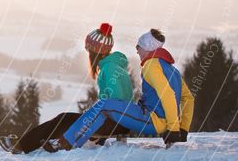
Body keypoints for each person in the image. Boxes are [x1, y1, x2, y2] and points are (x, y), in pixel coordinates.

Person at [7, 23, 133, 153]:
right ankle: (36, 142)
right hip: (116, 121)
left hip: (115, 123)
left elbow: (116, 101)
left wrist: (94, 116)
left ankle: (22, 145)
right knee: (67, 119)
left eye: (89, 49)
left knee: (64, 119)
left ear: (95, 50)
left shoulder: (110, 68)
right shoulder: (112, 65)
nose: (88, 52)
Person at [59, 28, 194, 149]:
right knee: (106, 106)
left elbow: (167, 94)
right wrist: (183, 129)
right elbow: (188, 98)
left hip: (152, 119)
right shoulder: (172, 69)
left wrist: (173, 129)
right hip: (154, 118)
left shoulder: (151, 66)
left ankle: (68, 142)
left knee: (105, 104)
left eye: (138, 46)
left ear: (147, 48)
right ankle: (89, 141)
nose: (136, 50)